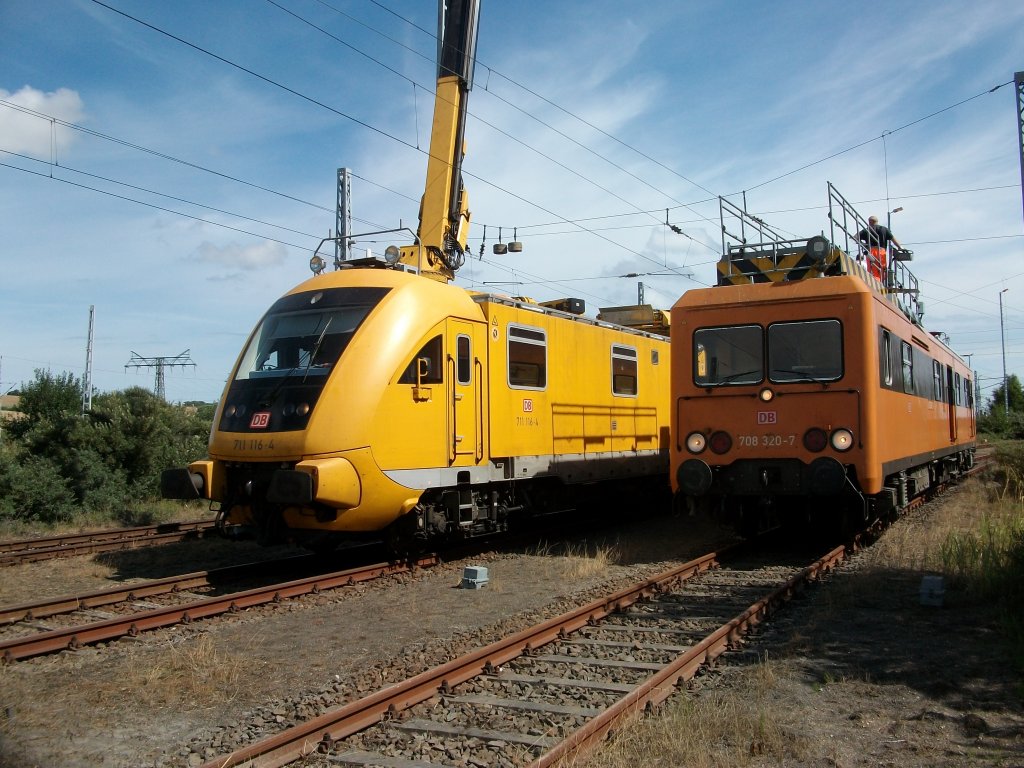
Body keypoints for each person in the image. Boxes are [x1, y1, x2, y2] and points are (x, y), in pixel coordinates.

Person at [857, 215, 902, 282]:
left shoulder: (866, 230)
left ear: (869, 222)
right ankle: (880, 282)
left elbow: (854, 237)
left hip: (870, 251)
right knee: (882, 269)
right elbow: (894, 240)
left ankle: (873, 282)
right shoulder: (884, 229)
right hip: (881, 252)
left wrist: (863, 244)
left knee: (872, 269)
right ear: (877, 221)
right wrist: (900, 248)